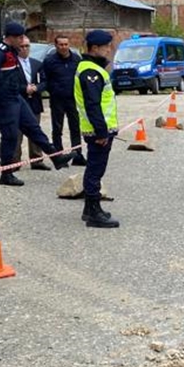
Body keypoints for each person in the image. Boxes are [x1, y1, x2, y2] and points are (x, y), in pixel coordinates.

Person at [0, 22, 69, 187]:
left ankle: (56, 157)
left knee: (33, 128)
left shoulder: (11, 51)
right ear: (12, 38)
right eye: (20, 37)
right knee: (10, 136)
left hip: (15, 97)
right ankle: (6, 173)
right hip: (4, 100)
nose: (22, 41)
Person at [75, 29, 120, 229]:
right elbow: (93, 105)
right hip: (97, 131)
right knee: (95, 170)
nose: (109, 50)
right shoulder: (90, 72)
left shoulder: (93, 69)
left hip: (97, 129)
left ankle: (89, 209)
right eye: (106, 47)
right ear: (95, 48)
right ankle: (94, 212)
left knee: (95, 168)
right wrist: (102, 131)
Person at [42, 34, 85, 166]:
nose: (64, 47)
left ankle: (77, 154)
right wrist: (53, 90)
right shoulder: (49, 61)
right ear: (56, 46)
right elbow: (45, 79)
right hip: (57, 99)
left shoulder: (77, 60)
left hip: (72, 99)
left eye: (66, 44)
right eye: (61, 44)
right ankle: (59, 156)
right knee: (57, 128)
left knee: (75, 127)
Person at [11, 41, 48, 171]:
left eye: (27, 46)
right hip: (19, 101)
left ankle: (37, 160)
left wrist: (37, 88)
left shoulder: (37, 63)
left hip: (34, 102)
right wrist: (24, 89)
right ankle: (15, 161)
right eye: (21, 46)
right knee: (17, 133)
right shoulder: (12, 64)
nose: (25, 49)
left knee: (35, 130)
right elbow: (10, 84)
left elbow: (45, 81)